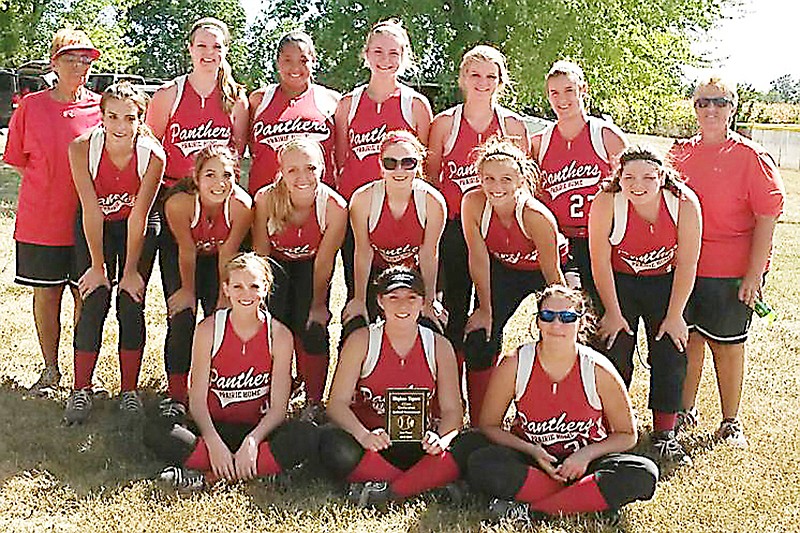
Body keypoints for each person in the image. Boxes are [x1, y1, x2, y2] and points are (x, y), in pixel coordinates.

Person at [468, 285, 658, 522]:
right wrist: (532, 451)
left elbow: (627, 434)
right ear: (537, 322)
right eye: (548, 316)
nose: (556, 325)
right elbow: (489, 425)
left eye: (567, 317)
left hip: (585, 465)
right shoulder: (516, 363)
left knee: (643, 472)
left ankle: (534, 511)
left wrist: (586, 455)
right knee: (479, 460)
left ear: (581, 322)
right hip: (533, 462)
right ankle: (585, 500)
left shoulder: (597, 369)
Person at [669, 77, 785, 447]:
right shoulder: (679, 153)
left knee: (729, 344)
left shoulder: (751, 157)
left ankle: (730, 420)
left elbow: (768, 215)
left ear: (732, 108)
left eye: (720, 103)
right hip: (685, 266)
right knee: (688, 340)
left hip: (731, 269)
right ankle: (685, 411)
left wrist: (754, 273)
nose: (711, 110)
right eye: (703, 103)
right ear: (695, 108)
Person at [144, 253, 317, 490]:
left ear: (266, 288)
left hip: (259, 431)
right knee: (157, 428)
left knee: (307, 435)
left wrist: (253, 441)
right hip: (212, 428)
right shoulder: (208, 330)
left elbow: (278, 409)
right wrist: (213, 442)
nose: (246, 294)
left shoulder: (279, 335)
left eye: (254, 286)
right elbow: (196, 400)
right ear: (226, 289)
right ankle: (258, 471)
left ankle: (208, 477)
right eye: (238, 286)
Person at [588, 146, 702, 465]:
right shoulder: (607, 201)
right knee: (613, 347)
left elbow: (688, 263)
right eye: (629, 177)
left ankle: (665, 432)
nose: (638, 185)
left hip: (664, 281)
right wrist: (612, 311)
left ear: (662, 177)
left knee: (672, 347)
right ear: (619, 177)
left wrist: (676, 314)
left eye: (648, 177)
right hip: (619, 282)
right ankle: (608, 425)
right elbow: (599, 262)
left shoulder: (683, 203)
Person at [3, 29, 102, 390]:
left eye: (85, 59)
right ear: (54, 63)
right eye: (70, 58)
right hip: (40, 221)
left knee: (84, 296)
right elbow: (15, 159)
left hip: (86, 222)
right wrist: (48, 182)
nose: (79, 65)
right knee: (46, 295)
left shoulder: (100, 109)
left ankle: (80, 375)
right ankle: (50, 369)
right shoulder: (32, 107)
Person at [426, 45, 529, 384]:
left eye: (490, 76)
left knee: (490, 313)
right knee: (455, 310)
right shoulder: (444, 123)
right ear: (462, 78)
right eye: (475, 75)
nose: (482, 83)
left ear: (501, 81)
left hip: (497, 229)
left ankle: (484, 393)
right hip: (455, 229)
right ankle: (449, 393)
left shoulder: (512, 124)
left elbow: (521, 181)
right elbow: (432, 177)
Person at [322, 267, 469, 506]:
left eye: (412, 298)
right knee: (331, 443)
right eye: (393, 297)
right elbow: (336, 404)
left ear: (423, 303)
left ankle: (383, 488)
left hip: (422, 444)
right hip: (373, 444)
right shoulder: (362, 340)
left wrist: (441, 440)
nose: (403, 306)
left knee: (471, 447)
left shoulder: (439, 346)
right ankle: (423, 485)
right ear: (380, 301)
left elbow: (453, 410)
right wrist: (363, 435)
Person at [63, 83, 165, 424]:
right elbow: (90, 208)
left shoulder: (153, 155)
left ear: (141, 119)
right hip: (97, 223)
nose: (120, 125)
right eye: (112, 116)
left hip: (137, 221)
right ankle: (81, 389)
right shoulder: (81, 148)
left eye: (129, 118)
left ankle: (129, 391)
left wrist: (132, 270)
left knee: (130, 299)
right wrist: (97, 266)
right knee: (94, 296)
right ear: (101, 116)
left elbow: (139, 215)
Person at [461, 137, 566, 425]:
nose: (497, 186)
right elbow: (479, 259)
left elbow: (552, 275)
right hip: (505, 268)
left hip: (544, 269)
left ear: (521, 180)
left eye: (506, 179)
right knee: (481, 335)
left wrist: (562, 317)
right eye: (489, 178)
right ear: (479, 178)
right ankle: (482, 420)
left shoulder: (535, 215)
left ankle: (558, 410)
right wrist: (485, 309)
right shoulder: (472, 202)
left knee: (560, 333)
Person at [334, 19, 433, 299]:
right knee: (360, 292)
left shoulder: (415, 104)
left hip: (402, 212)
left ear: (405, 57)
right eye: (378, 51)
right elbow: (342, 157)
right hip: (357, 213)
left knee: (404, 292)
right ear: (365, 54)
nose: (385, 60)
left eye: (394, 53)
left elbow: (421, 163)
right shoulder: (348, 104)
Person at [252, 138, 347, 418]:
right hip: (275, 265)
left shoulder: (334, 206)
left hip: (311, 266)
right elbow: (261, 255)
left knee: (313, 325)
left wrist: (318, 304)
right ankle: (270, 391)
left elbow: (324, 261)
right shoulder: (266, 198)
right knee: (273, 323)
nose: (303, 177)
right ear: (280, 170)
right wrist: (262, 301)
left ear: (322, 169)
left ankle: (313, 401)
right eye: (292, 170)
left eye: (310, 168)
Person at [160, 144, 253, 412]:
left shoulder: (241, 206)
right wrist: (187, 291)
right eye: (210, 175)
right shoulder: (178, 203)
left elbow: (227, 253)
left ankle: (218, 386)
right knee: (182, 316)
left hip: (218, 258)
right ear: (196, 178)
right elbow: (186, 250)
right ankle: (177, 395)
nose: (219, 183)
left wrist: (224, 299)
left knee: (221, 318)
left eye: (227, 175)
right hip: (182, 252)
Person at [531, 60, 627, 309]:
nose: (562, 99)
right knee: (563, 311)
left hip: (600, 238)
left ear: (583, 90)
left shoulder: (605, 136)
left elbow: (630, 189)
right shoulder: (540, 142)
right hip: (559, 240)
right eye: (554, 93)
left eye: (569, 90)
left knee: (600, 313)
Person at [342, 130, 446, 330]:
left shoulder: (432, 201)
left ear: (419, 165)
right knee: (355, 325)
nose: (400, 170)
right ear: (381, 166)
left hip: (415, 271)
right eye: (391, 163)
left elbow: (428, 253)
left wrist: (430, 299)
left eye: (408, 163)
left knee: (432, 325)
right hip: (377, 271)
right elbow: (363, 252)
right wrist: (359, 299)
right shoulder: (363, 199)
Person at [145, 17, 248, 188]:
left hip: (218, 193)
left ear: (226, 51)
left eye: (216, 47)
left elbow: (237, 154)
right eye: (201, 46)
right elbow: (150, 150)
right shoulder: (169, 94)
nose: (209, 53)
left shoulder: (236, 98)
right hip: (174, 191)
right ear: (190, 49)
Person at [248, 30, 340, 195]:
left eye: (303, 60)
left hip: (317, 201)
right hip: (267, 202)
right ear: (278, 62)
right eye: (288, 60)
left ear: (314, 61)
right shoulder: (259, 100)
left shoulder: (332, 100)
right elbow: (249, 145)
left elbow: (341, 154)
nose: (295, 67)